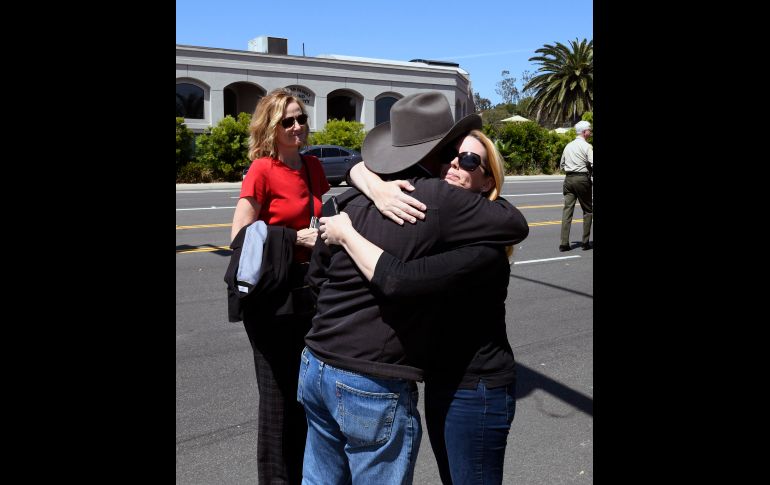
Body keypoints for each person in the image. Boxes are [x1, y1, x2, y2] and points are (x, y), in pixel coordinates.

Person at [297, 91, 529, 485]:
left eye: (469, 159)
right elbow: (515, 223)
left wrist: (363, 183)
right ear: (440, 148)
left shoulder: (349, 200)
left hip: (317, 362)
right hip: (370, 374)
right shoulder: (440, 200)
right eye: (454, 151)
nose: (457, 161)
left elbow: (317, 279)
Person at [230, 88, 329, 485]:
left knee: (307, 395)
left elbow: (323, 214)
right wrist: (294, 239)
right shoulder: (261, 170)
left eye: (301, 118)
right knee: (277, 401)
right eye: (287, 121)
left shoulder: (313, 168)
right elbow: (239, 236)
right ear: (271, 127)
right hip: (272, 298)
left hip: (310, 293)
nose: (297, 127)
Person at [559, 120, 593, 251]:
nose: (590, 132)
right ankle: (585, 242)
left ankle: (564, 243)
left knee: (567, 211)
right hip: (581, 179)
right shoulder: (587, 146)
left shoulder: (568, 145)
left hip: (568, 179)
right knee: (588, 211)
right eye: (589, 130)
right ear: (584, 132)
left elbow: (562, 165)